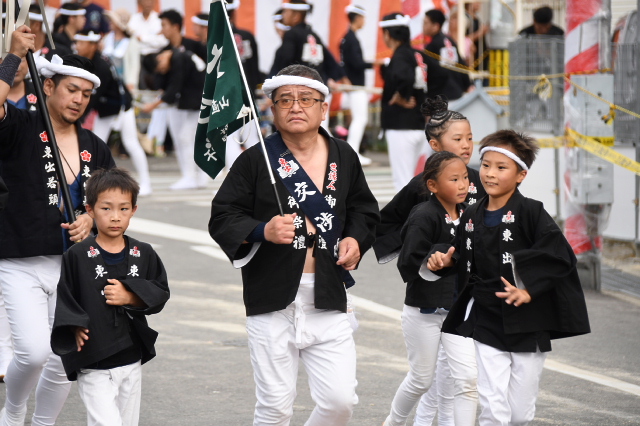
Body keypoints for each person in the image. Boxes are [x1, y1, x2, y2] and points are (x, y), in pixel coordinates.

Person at [209, 65, 380, 426]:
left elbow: (364, 209)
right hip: (272, 295)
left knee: (340, 402)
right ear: (272, 109)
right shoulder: (255, 160)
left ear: (324, 108)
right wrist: (262, 230)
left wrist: (355, 239)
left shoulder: (343, 155)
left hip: (328, 293)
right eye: (285, 100)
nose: (296, 107)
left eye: (306, 99)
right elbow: (223, 216)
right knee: (275, 408)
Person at [426, 130, 591, 426]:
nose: (490, 173)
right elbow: (461, 253)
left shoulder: (531, 212)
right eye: (486, 165)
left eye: (501, 167)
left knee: (519, 414)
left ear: (521, 175)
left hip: (529, 320)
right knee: (493, 406)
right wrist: (445, 259)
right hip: (487, 316)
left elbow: (560, 255)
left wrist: (528, 289)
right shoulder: (471, 214)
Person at [0, 26, 115, 426]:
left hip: (73, 268)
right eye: (71, 90)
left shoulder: (95, 146)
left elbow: (112, 203)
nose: (79, 100)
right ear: (48, 86)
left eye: (86, 94)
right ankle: (13, 409)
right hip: (20, 260)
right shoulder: (19, 126)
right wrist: (13, 57)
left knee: (66, 354)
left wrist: (91, 217)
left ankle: (44, 422)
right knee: (33, 352)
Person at [51, 167, 170, 426]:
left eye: (123, 209)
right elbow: (66, 298)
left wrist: (131, 297)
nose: (115, 217)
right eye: (106, 208)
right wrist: (72, 326)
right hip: (94, 358)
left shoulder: (143, 252)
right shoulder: (77, 255)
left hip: (130, 357)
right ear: (90, 210)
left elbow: (160, 291)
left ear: (133, 210)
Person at [383, 151, 478, 426]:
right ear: (432, 185)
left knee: (468, 379)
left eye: (465, 178)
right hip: (423, 312)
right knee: (421, 380)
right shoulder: (423, 215)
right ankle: (394, 422)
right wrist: (432, 260)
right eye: (454, 179)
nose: (463, 185)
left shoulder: (470, 215)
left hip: (458, 312)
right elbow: (407, 261)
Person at [374, 96, 486, 262]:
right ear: (435, 145)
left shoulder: (481, 180)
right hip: (434, 269)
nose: (466, 145)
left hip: (473, 267)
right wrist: (417, 246)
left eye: (469, 138)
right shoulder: (421, 184)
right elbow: (389, 221)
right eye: (458, 139)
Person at [74, 30, 152, 196]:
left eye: (81, 43)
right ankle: (92, 185)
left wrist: (78, 118)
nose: (77, 46)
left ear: (92, 45)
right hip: (106, 110)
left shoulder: (101, 65)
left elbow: (93, 97)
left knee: (130, 143)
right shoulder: (89, 62)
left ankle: (146, 183)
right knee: (95, 145)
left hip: (121, 108)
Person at [141, 11, 208, 190]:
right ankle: (190, 175)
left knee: (190, 137)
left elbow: (204, 71)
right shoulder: (166, 50)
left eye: (164, 25)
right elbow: (162, 79)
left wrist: (155, 104)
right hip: (178, 104)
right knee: (180, 139)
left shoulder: (193, 47)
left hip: (196, 101)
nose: (162, 30)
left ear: (175, 26)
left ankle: (197, 175)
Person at [269, 0, 347, 130]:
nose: (283, 15)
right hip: (319, 89)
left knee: (302, 130)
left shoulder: (292, 34)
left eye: (286, 12)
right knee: (319, 128)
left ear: (296, 16)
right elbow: (328, 60)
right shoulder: (313, 35)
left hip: (301, 93)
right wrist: (336, 77)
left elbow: (285, 63)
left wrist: (276, 85)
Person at [379, 13, 431, 191]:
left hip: (401, 126)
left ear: (388, 34)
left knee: (402, 182)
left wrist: (402, 96)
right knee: (411, 181)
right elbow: (438, 77)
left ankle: (408, 211)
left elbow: (404, 77)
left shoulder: (400, 55)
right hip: (417, 124)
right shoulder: (417, 54)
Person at [224, 0, 263, 170]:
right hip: (247, 93)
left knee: (229, 138)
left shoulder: (218, 37)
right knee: (252, 137)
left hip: (227, 94)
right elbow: (255, 68)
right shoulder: (247, 36)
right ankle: (260, 174)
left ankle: (236, 177)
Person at [340, 4, 373, 166]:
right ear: (358, 18)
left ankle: (353, 152)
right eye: (363, 18)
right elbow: (356, 63)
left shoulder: (349, 38)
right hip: (356, 86)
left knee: (358, 118)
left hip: (354, 85)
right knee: (360, 118)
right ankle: (353, 153)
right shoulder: (351, 39)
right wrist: (374, 63)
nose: (364, 21)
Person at [423, 9, 471, 101]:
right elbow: (461, 64)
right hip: (457, 92)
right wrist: (468, 84)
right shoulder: (449, 40)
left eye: (426, 23)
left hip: (441, 95)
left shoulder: (432, 46)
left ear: (436, 26)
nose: (423, 26)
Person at [127, 0, 167, 90]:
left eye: (150, 1)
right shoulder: (133, 19)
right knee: (139, 83)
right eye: (145, 1)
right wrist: (153, 37)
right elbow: (132, 37)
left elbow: (162, 41)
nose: (148, 3)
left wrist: (142, 38)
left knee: (156, 84)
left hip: (155, 57)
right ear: (139, 3)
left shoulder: (159, 19)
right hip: (138, 56)